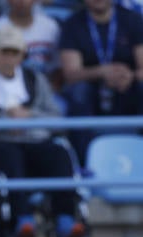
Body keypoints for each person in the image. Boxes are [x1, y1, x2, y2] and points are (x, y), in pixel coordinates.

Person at [0, 24, 86, 237]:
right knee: (9, 154)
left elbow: (56, 118)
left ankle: (66, 219)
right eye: (4, 51)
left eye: (14, 52)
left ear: (22, 55)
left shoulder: (35, 79)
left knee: (59, 153)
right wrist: (2, 124)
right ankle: (22, 220)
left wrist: (29, 116)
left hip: (34, 141)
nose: (8, 57)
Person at [58, 0, 143, 161]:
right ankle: (83, 160)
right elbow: (70, 74)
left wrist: (128, 76)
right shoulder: (73, 24)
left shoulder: (133, 19)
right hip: (92, 90)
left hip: (127, 87)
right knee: (78, 91)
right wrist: (103, 72)